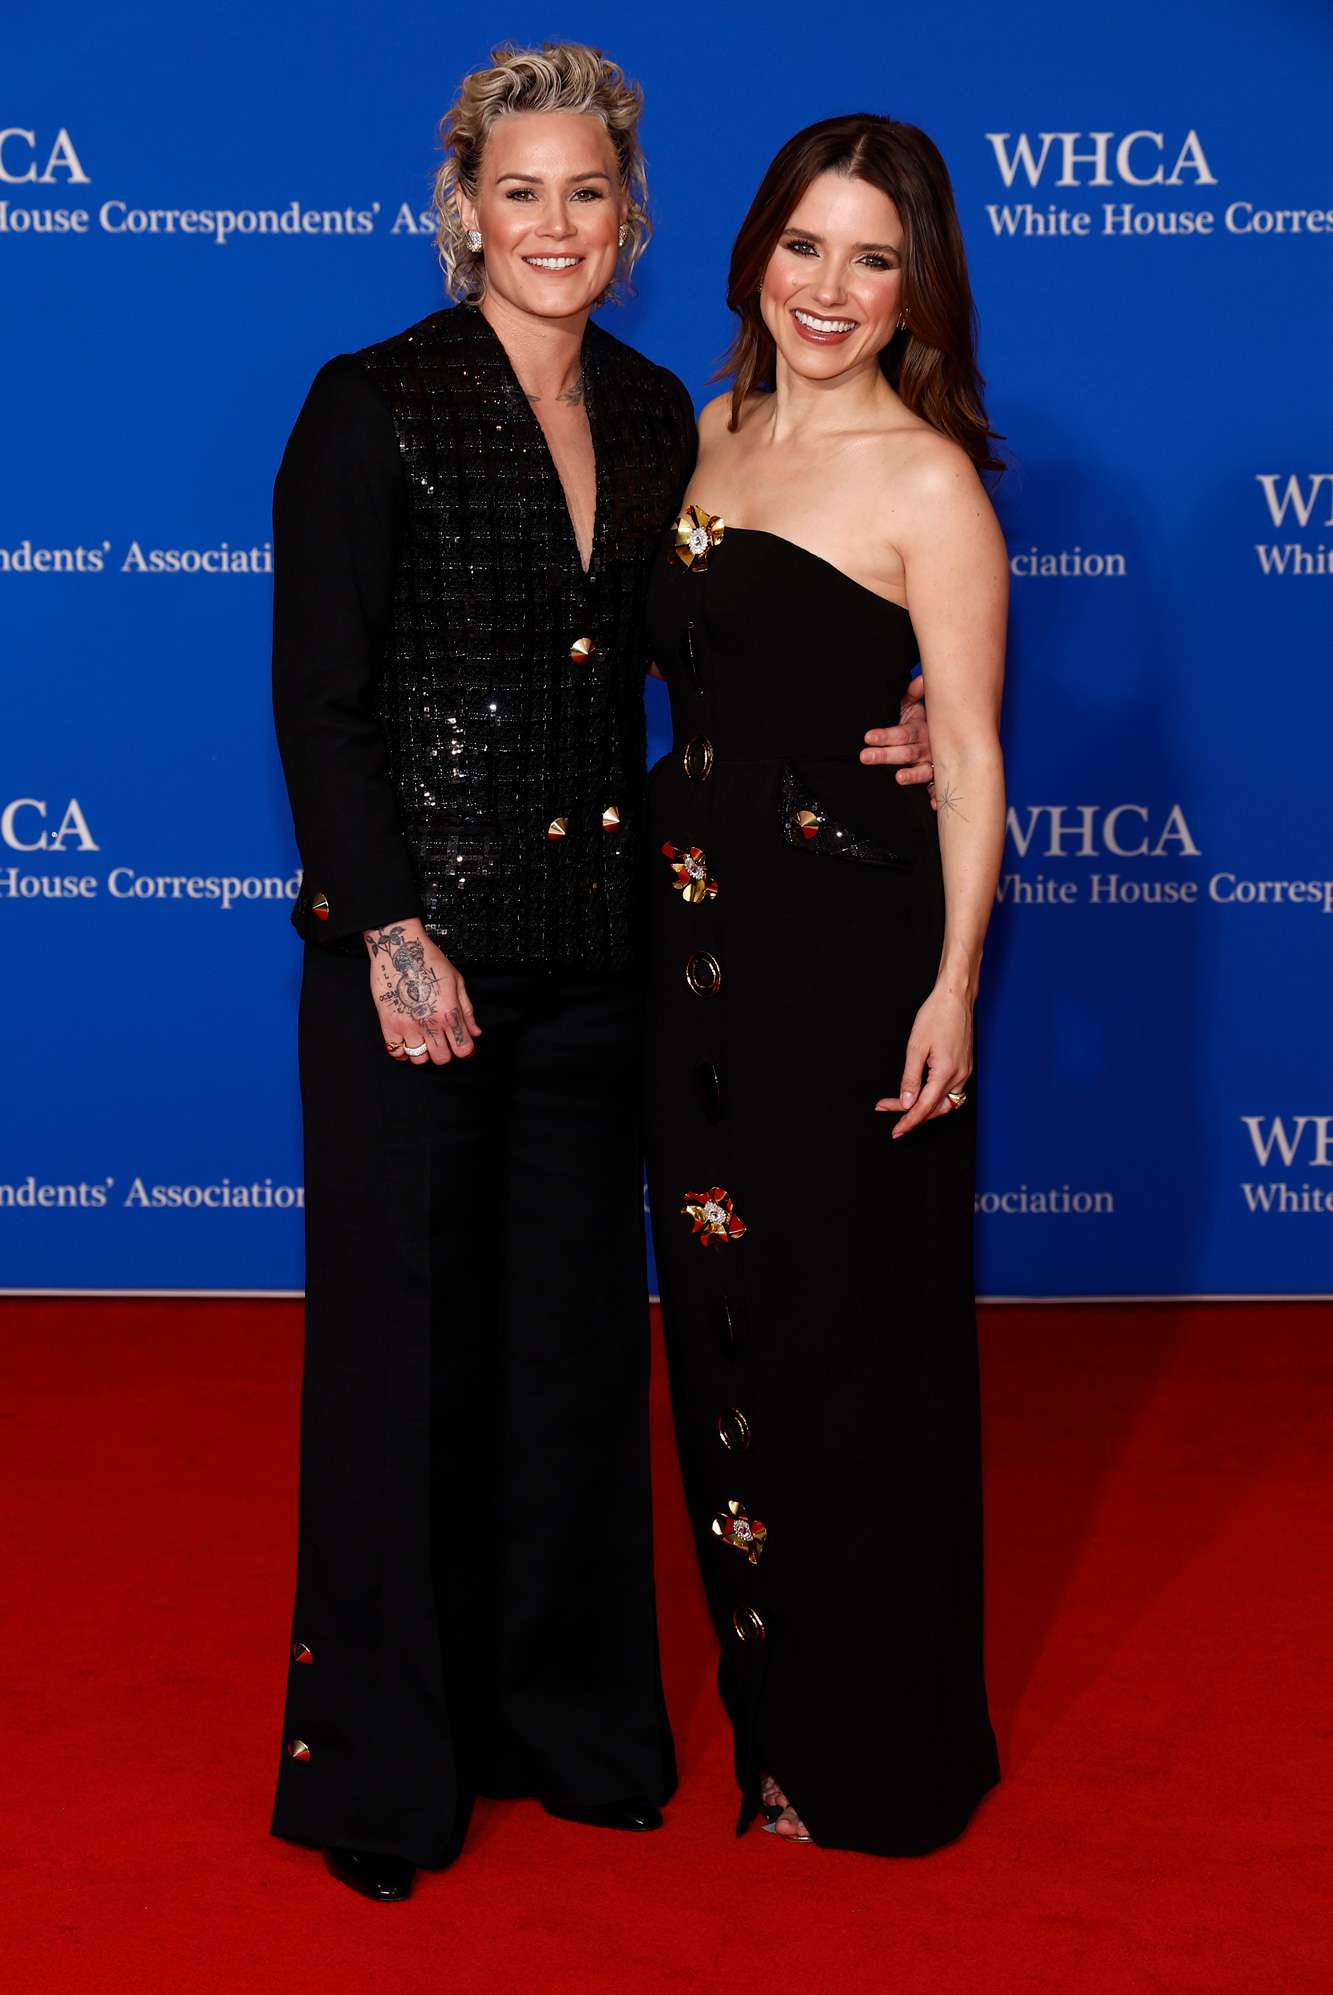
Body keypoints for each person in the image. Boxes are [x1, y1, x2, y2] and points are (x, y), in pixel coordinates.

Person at [270, 45, 937, 1901]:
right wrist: (394, 931)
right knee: (403, 1373)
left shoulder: (666, 420)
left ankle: (568, 1730)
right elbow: (318, 707)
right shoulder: (373, 406)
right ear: (460, 213)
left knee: (568, 1370)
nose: (551, 225)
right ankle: (383, 1779)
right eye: (518, 192)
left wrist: (918, 721)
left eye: (586, 195)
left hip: (605, 964)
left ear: (630, 222)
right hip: (415, 967)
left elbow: (754, 622)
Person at [644, 112, 1006, 1856]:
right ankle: (764, 1726)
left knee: (852, 1362)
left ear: (916, 286)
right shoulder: (703, 434)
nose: (830, 288)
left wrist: (951, 986)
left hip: (848, 975)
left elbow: (978, 755)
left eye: (873, 256)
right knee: (722, 1355)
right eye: (806, 244)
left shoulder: (928, 479)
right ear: (757, 253)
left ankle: (877, 1748)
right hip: (687, 967)